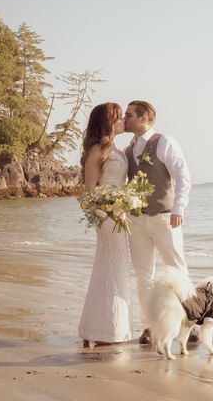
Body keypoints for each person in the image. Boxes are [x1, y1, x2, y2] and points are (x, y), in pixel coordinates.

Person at [123, 100, 191, 344]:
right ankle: (149, 326)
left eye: (129, 115)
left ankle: (187, 323)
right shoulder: (128, 148)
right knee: (144, 276)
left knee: (177, 269)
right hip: (136, 220)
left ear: (145, 119)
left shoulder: (165, 142)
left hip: (165, 218)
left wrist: (179, 207)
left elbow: (183, 176)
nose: (124, 119)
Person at [77, 103, 133, 346]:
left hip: (121, 215)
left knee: (115, 271)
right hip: (108, 219)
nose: (122, 121)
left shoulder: (118, 149)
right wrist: (107, 213)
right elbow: (90, 192)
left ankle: (104, 329)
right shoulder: (96, 151)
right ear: (108, 122)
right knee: (110, 270)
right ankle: (106, 332)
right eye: (118, 117)